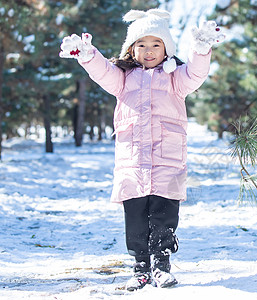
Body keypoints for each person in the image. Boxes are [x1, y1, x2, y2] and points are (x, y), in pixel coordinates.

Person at [59, 8, 225, 291]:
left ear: (166, 49)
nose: (149, 51)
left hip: (167, 159)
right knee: (135, 217)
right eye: (142, 45)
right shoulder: (123, 79)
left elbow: (197, 73)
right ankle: (140, 267)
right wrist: (87, 55)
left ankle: (161, 265)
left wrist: (201, 48)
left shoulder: (175, 79)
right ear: (131, 49)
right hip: (132, 161)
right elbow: (102, 72)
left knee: (163, 215)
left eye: (156, 44)